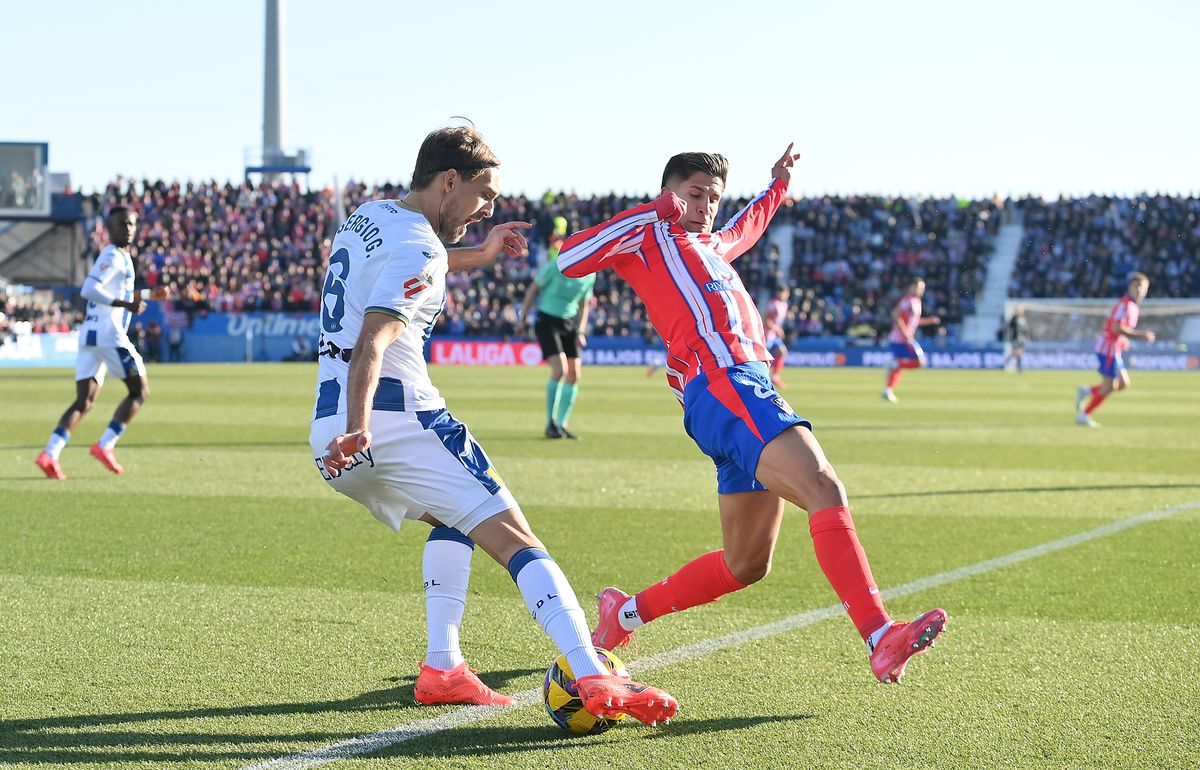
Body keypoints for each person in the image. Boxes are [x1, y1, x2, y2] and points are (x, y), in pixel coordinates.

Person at [310, 125, 678, 724]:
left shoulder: (368, 216)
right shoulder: (420, 248)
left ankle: (442, 668)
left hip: (327, 430)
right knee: (517, 540)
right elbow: (375, 335)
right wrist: (362, 424)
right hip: (390, 420)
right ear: (449, 180)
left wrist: (478, 254)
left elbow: (407, 264)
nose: (488, 208)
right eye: (484, 193)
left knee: (461, 522)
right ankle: (594, 676)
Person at [557, 146, 946, 685]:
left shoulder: (712, 246)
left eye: (713, 199)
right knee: (823, 486)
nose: (705, 207)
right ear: (670, 192)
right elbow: (568, 259)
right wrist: (653, 211)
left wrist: (778, 185)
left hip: (734, 393)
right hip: (726, 383)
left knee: (747, 564)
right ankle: (881, 636)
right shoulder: (648, 236)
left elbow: (751, 225)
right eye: (695, 195)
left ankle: (621, 615)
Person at [36, 207, 160, 479]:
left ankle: (50, 453)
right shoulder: (113, 255)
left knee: (85, 401)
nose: (126, 228)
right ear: (109, 227)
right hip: (108, 334)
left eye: (130, 224)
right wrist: (127, 303)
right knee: (139, 391)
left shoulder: (122, 257)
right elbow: (89, 289)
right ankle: (105, 445)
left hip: (91, 335)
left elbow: (114, 291)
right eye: (120, 224)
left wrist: (146, 294)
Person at [518, 234, 595, 439]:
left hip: (569, 323)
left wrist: (580, 330)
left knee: (575, 374)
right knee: (560, 370)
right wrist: (523, 317)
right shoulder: (555, 267)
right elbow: (533, 290)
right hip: (547, 320)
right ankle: (550, 424)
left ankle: (562, 424)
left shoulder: (590, 274)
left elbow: (585, 304)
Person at [1075, 273, 1155, 428]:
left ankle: (1087, 391)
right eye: (1136, 286)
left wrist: (1123, 340)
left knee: (1123, 383)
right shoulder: (1124, 304)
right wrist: (1141, 335)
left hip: (1114, 348)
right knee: (1110, 386)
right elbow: (1116, 327)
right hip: (1107, 348)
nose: (1139, 290)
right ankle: (1084, 415)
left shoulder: (1133, 307)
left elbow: (1119, 329)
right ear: (1129, 287)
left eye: (1143, 288)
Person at [881, 278, 940, 403]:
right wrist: (905, 333)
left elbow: (914, 322)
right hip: (899, 339)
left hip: (905, 339)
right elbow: (895, 315)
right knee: (920, 362)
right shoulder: (907, 300)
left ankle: (888, 390)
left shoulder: (917, 302)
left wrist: (929, 321)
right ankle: (892, 370)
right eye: (919, 287)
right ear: (912, 287)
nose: (922, 290)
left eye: (923, 288)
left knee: (900, 366)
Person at [763, 286, 790, 387]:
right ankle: (762, 377)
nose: (781, 295)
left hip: (775, 336)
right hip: (768, 335)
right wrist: (776, 329)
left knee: (782, 352)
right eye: (779, 292)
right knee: (765, 357)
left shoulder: (785, 305)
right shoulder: (773, 304)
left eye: (783, 293)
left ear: (788, 293)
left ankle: (775, 378)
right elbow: (767, 320)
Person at [1006, 304, 1029, 373]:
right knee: (1017, 353)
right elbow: (1010, 326)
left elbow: (1025, 329)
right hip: (1015, 338)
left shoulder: (1024, 318)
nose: (1021, 312)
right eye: (1020, 310)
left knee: (1018, 353)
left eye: (1022, 310)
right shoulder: (1014, 318)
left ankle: (1009, 362)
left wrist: (1026, 336)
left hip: (1022, 338)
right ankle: (1018, 367)